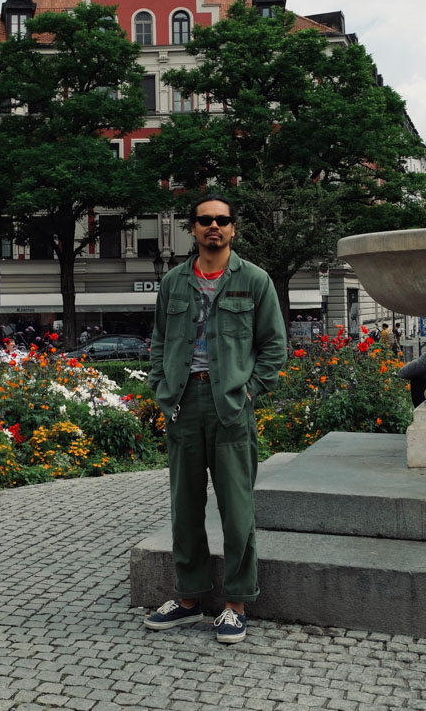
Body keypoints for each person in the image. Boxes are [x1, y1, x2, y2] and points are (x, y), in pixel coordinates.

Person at [144, 195, 286, 645]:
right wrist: (161, 388)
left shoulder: (255, 281)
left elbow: (274, 348)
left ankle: (236, 604)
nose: (214, 227)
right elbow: (159, 342)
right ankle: (188, 599)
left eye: (222, 220)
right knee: (184, 509)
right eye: (205, 220)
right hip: (184, 404)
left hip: (231, 406)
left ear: (233, 229)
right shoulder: (174, 282)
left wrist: (248, 391)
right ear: (193, 228)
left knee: (237, 509)